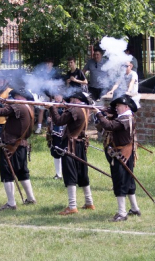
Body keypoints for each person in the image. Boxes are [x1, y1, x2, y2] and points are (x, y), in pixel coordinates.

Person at [0, 88, 37, 211]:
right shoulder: (28, 108)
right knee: (23, 173)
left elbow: (0, 112)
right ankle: (30, 198)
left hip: (11, 145)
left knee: (7, 174)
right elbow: (7, 110)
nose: (13, 98)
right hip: (20, 144)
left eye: (15, 96)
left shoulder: (18, 106)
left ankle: (11, 203)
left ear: (20, 97)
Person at [94, 94, 139, 222]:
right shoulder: (124, 117)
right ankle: (134, 208)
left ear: (125, 106)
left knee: (120, 182)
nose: (117, 108)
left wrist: (99, 114)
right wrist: (104, 114)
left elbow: (110, 126)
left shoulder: (125, 118)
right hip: (124, 153)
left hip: (121, 154)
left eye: (118, 106)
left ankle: (122, 213)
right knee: (128, 181)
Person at [49, 91, 95, 215]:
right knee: (82, 174)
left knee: (70, 174)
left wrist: (52, 107)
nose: (70, 101)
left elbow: (58, 121)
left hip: (70, 145)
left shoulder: (74, 110)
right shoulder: (85, 109)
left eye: (72, 99)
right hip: (79, 144)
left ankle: (72, 206)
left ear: (76, 99)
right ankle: (89, 202)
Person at [35, 59, 61, 135]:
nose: (47, 64)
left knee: (53, 110)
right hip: (44, 94)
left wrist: (52, 84)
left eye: (49, 63)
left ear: (52, 64)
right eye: (46, 63)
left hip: (53, 94)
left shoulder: (55, 73)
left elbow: (59, 83)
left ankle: (52, 127)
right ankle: (39, 127)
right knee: (41, 110)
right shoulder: (42, 73)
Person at [46, 91, 66, 180]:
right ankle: (58, 174)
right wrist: (49, 120)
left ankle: (66, 173)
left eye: (59, 95)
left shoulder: (66, 106)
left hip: (64, 133)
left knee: (65, 154)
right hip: (54, 132)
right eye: (56, 95)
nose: (57, 97)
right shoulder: (52, 105)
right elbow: (49, 119)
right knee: (55, 153)